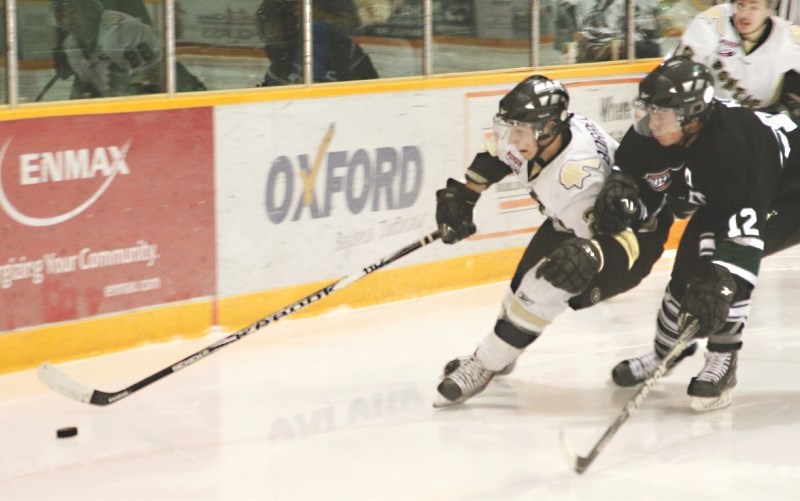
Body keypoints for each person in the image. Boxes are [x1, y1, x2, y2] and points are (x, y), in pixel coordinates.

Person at [433, 75, 675, 407]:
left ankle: (484, 364)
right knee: (516, 295)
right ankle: (501, 353)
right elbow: (497, 152)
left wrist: (592, 256)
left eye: (519, 130)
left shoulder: (578, 179)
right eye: (511, 127)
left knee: (538, 293)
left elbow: (620, 239)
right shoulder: (545, 135)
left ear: (548, 129)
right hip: (572, 226)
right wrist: (466, 194)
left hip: (627, 244)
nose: (511, 138)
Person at [594, 56, 800, 411]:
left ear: (693, 118)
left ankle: (723, 359)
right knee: (687, 273)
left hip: (788, 192)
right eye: (649, 111)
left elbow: (742, 240)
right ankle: (665, 353)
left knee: (721, 275)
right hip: (730, 192)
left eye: (663, 116)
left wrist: (720, 278)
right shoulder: (653, 130)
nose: (652, 123)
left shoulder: (734, 146)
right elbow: (629, 170)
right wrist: (620, 186)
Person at [671, 0, 800, 116]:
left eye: (753, 7)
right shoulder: (712, 21)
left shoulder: (787, 37)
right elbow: (677, 70)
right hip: (712, 115)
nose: (744, 14)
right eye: (740, 5)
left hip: (760, 121)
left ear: (769, 10)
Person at [51, 0, 162, 99]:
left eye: (72, 12)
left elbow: (155, 78)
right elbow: (82, 87)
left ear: (91, 11)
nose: (68, 21)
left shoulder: (124, 31)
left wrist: (129, 85)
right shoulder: (71, 45)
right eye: (62, 16)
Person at [255, 0, 378, 86]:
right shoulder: (282, 58)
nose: (273, 35)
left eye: (274, 28)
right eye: (269, 29)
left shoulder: (340, 47)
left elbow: (372, 86)